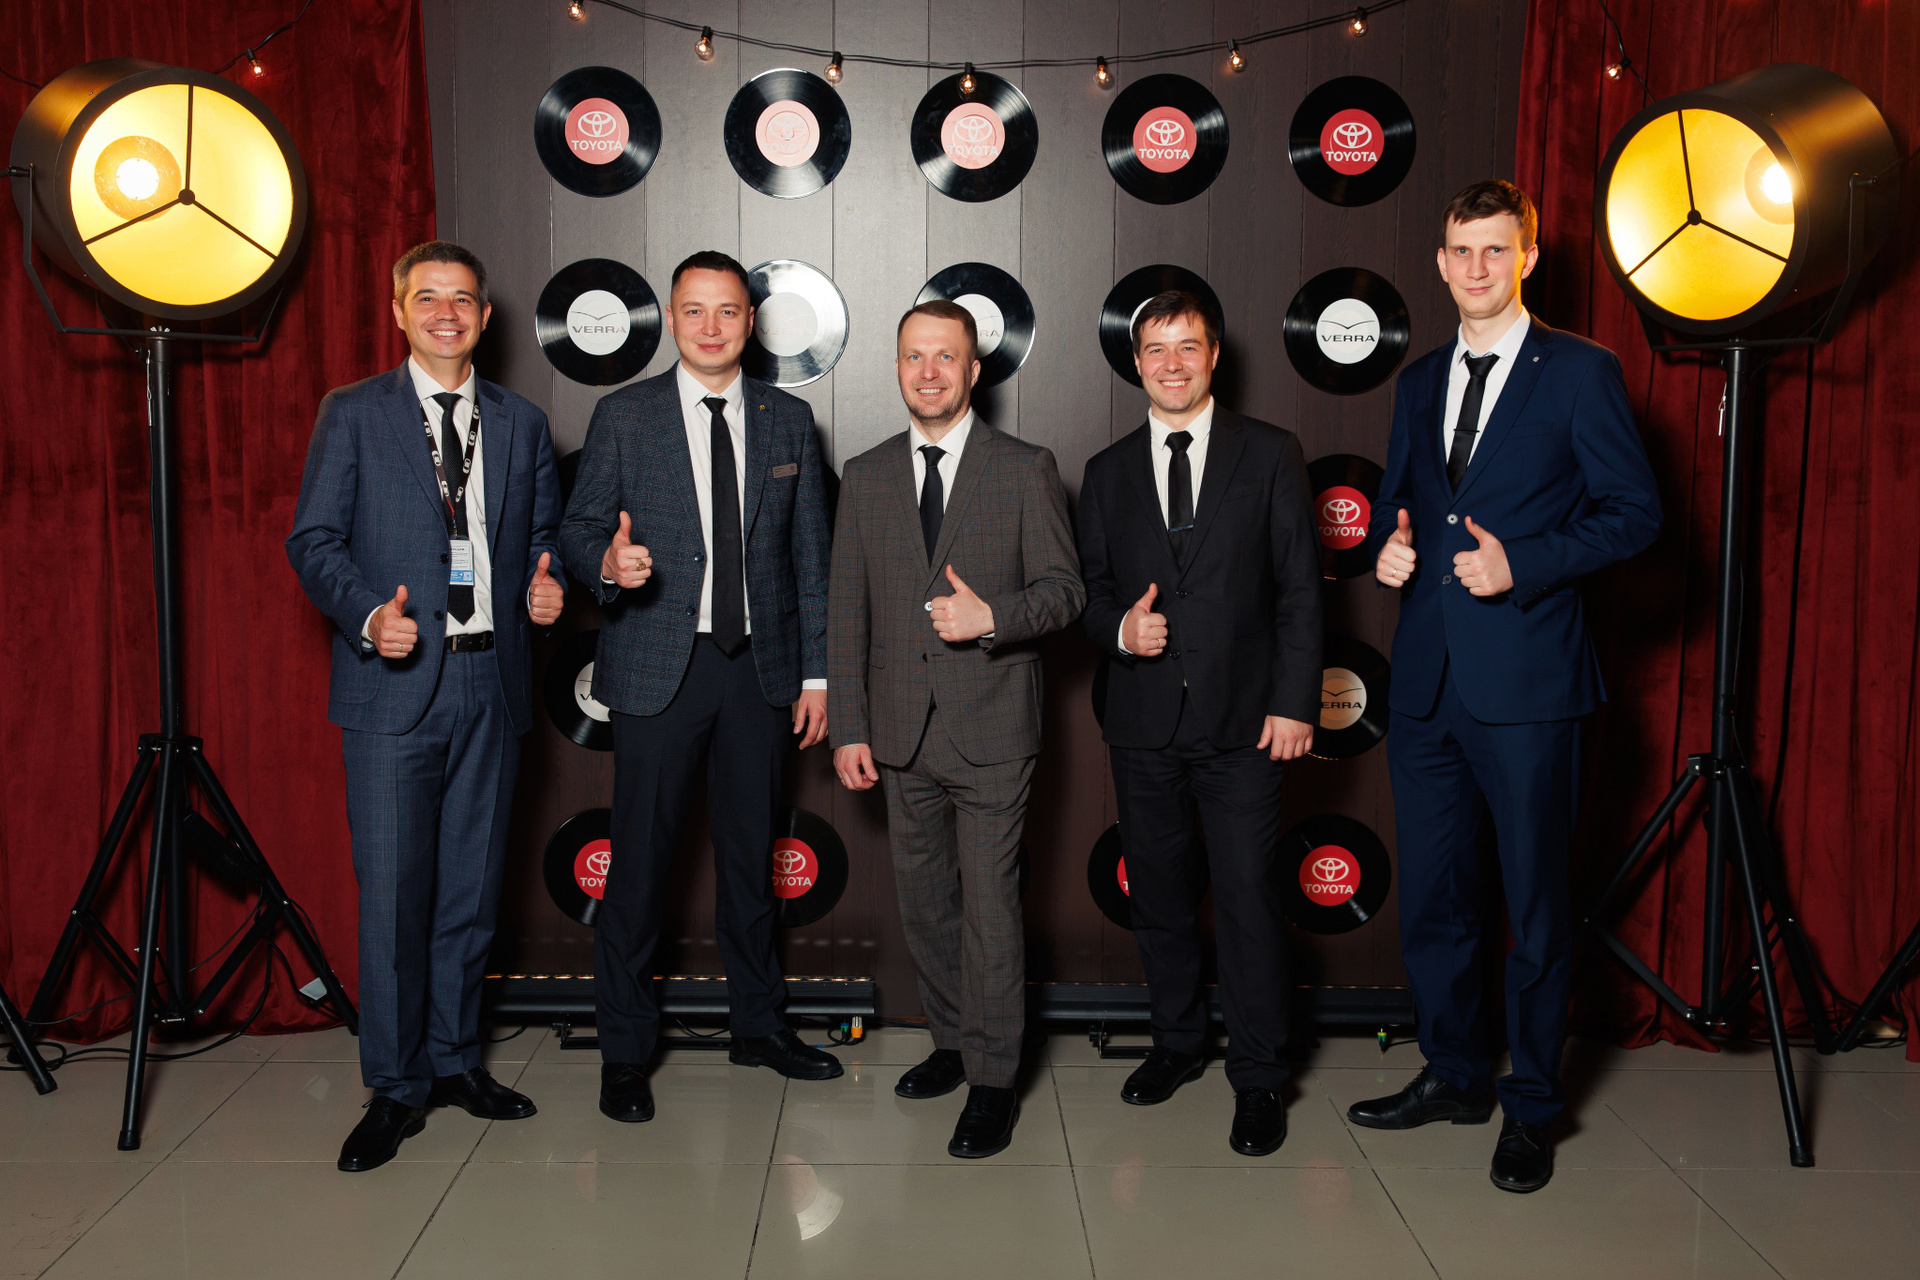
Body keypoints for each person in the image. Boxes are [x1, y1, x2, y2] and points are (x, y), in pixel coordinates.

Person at [1352, 180, 1662, 1193]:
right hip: (1428, 685)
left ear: (1526, 258)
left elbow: (1634, 513)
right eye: (1462, 250)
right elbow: (1399, 500)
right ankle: (1453, 1073)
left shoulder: (1581, 371)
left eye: (1497, 249)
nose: (1477, 267)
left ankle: (1530, 1104)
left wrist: (1522, 563)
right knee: (1438, 900)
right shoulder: (1418, 379)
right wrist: (1389, 548)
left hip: (1531, 685)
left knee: (1535, 903)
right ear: (1441, 262)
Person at [288, 240, 567, 1172]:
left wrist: (549, 584)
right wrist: (370, 615)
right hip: (393, 687)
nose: (447, 313)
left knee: (470, 896)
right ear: (399, 312)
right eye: (428, 298)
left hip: (493, 682)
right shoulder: (354, 413)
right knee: (395, 899)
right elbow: (312, 540)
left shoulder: (521, 422)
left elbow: (541, 538)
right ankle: (396, 1086)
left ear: (485, 316)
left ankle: (454, 1062)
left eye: (463, 300)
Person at [558, 250, 837, 1124]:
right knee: (640, 865)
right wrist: (606, 564)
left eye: (727, 311)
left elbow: (812, 558)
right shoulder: (625, 415)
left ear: (750, 322)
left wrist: (818, 673)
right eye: (693, 310)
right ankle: (624, 1050)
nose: (711, 327)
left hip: (759, 670)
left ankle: (759, 1025)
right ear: (672, 319)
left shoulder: (789, 420)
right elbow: (578, 528)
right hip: (657, 669)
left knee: (751, 861)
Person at [827, 301, 1084, 1159]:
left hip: (993, 726)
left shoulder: (1024, 468)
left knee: (990, 909)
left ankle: (993, 1079)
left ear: (974, 371)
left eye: (946, 357)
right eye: (914, 357)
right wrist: (850, 727)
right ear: (898, 368)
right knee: (926, 902)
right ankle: (952, 1039)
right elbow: (846, 613)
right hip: (899, 730)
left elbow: (1065, 592)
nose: (929, 372)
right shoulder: (864, 475)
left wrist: (992, 618)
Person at [1076, 291, 1322, 1158]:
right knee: (1161, 898)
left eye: (1188, 347)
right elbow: (1087, 595)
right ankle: (1177, 1043)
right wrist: (1120, 631)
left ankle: (1258, 1076)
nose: (1172, 364)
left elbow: (1300, 589)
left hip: (1245, 724)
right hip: (1143, 722)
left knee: (1249, 902)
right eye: (1156, 349)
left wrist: (1295, 702)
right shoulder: (1106, 471)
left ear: (1214, 356)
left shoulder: (1270, 453)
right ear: (1136, 363)